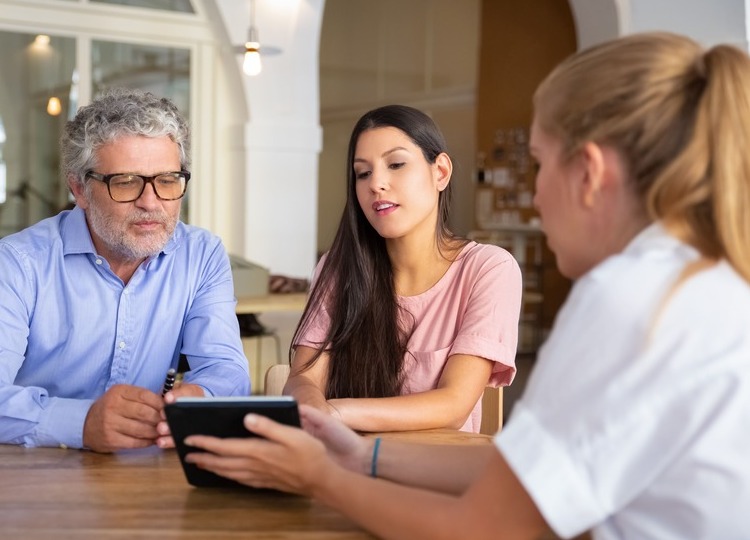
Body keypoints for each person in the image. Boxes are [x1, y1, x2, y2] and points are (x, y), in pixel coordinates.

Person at [183, 32, 750, 539]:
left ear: (590, 173)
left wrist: (322, 476)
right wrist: (359, 457)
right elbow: (522, 467)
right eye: (362, 171)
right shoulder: (695, 285)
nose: (536, 195)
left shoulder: (629, 301)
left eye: (538, 164)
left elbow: (483, 527)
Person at [0, 88, 250, 453]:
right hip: (34, 472)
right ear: (79, 189)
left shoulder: (201, 255)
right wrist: (81, 423)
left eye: (167, 180)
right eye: (126, 182)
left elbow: (226, 370)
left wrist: (199, 395)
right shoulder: (17, 263)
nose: (151, 203)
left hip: (146, 469)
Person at [284, 104, 523, 433]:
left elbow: (453, 406)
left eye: (396, 164)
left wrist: (333, 414)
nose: (376, 184)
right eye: (362, 173)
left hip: (433, 476)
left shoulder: (488, 269)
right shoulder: (338, 268)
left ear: (440, 172)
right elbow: (303, 378)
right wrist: (309, 402)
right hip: (342, 468)